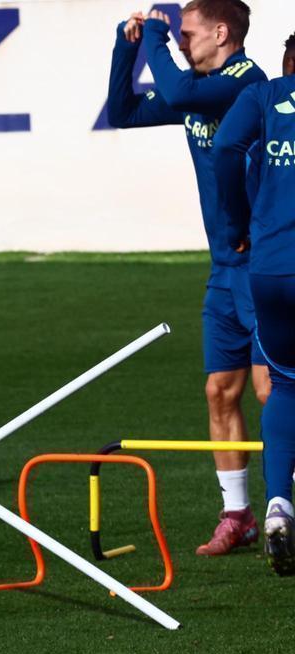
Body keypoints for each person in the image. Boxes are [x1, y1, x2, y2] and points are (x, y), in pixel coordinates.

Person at [107, 0, 270, 556]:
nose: (179, 42)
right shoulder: (199, 87)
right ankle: (238, 515)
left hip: (265, 261)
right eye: (176, 34)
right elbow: (123, 111)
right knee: (219, 391)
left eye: (187, 33)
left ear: (221, 33)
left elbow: (175, 93)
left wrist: (153, 28)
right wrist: (127, 45)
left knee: (274, 391)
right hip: (224, 268)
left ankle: (284, 508)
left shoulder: (247, 84)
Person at [212, 30, 295, 575]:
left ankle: (277, 506)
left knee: (287, 381)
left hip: (273, 265)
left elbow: (224, 149)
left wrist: (237, 221)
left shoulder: (264, 96)